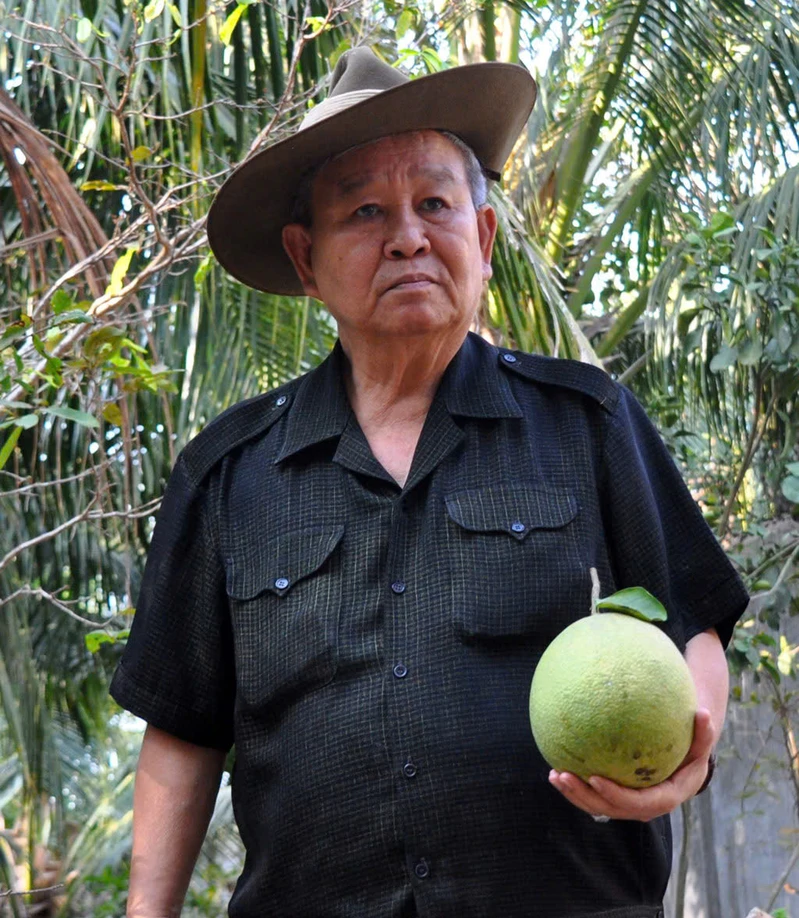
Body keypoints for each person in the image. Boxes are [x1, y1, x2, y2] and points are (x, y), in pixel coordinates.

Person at [110, 47, 749, 918]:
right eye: (366, 210)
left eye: (435, 205)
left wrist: (687, 755)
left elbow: (691, 621)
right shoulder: (227, 474)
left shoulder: (587, 422)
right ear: (305, 258)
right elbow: (182, 730)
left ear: (481, 239)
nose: (408, 236)